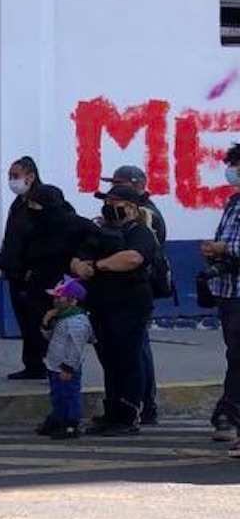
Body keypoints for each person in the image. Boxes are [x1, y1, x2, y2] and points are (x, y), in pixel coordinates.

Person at [70, 182, 159, 436]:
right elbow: (78, 256)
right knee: (109, 360)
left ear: (130, 207)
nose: (108, 207)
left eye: (114, 203)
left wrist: (97, 266)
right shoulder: (100, 230)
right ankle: (113, 411)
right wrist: (80, 267)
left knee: (127, 359)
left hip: (129, 304)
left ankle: (129, 413)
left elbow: (132, 258)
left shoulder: (140, 232)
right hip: (100, 304)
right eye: (107, 203)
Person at [100, 165, 168, 424]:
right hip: (117, 297)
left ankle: (142, 404)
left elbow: (136, 254)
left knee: (135, 353)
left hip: (135, 294)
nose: (112, 196)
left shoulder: (145, 218)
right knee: (125, 354)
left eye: (119, 188)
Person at [199, 143, 240, 449]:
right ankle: (228, 413)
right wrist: (213, 251)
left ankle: (228, 412)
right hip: (228, 291)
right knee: (233, 355)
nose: (232, 171)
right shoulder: (233, 202)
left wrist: (225, 249)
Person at [0, 156, 50, 380]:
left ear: (31, 176)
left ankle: (48, 362)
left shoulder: (43, 201)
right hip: (16, 271)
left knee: (38, 320)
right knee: (25, 320)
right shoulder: (19, 203)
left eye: (15, 176)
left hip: (34, 273)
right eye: (10, 176)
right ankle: (33, 364)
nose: (12, 181)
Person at [37, 276, 92, 440]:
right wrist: (46, 323)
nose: (55, 301)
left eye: (58, 298)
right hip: (55, 364)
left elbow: (76, 348)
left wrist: (69, 367)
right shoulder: (62, 319)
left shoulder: (76, 322)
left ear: (72, 301)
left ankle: (71, 423)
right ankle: (57, 418)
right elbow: (51, 338)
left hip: (66, 366)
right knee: (58, 394)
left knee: (69, 394)